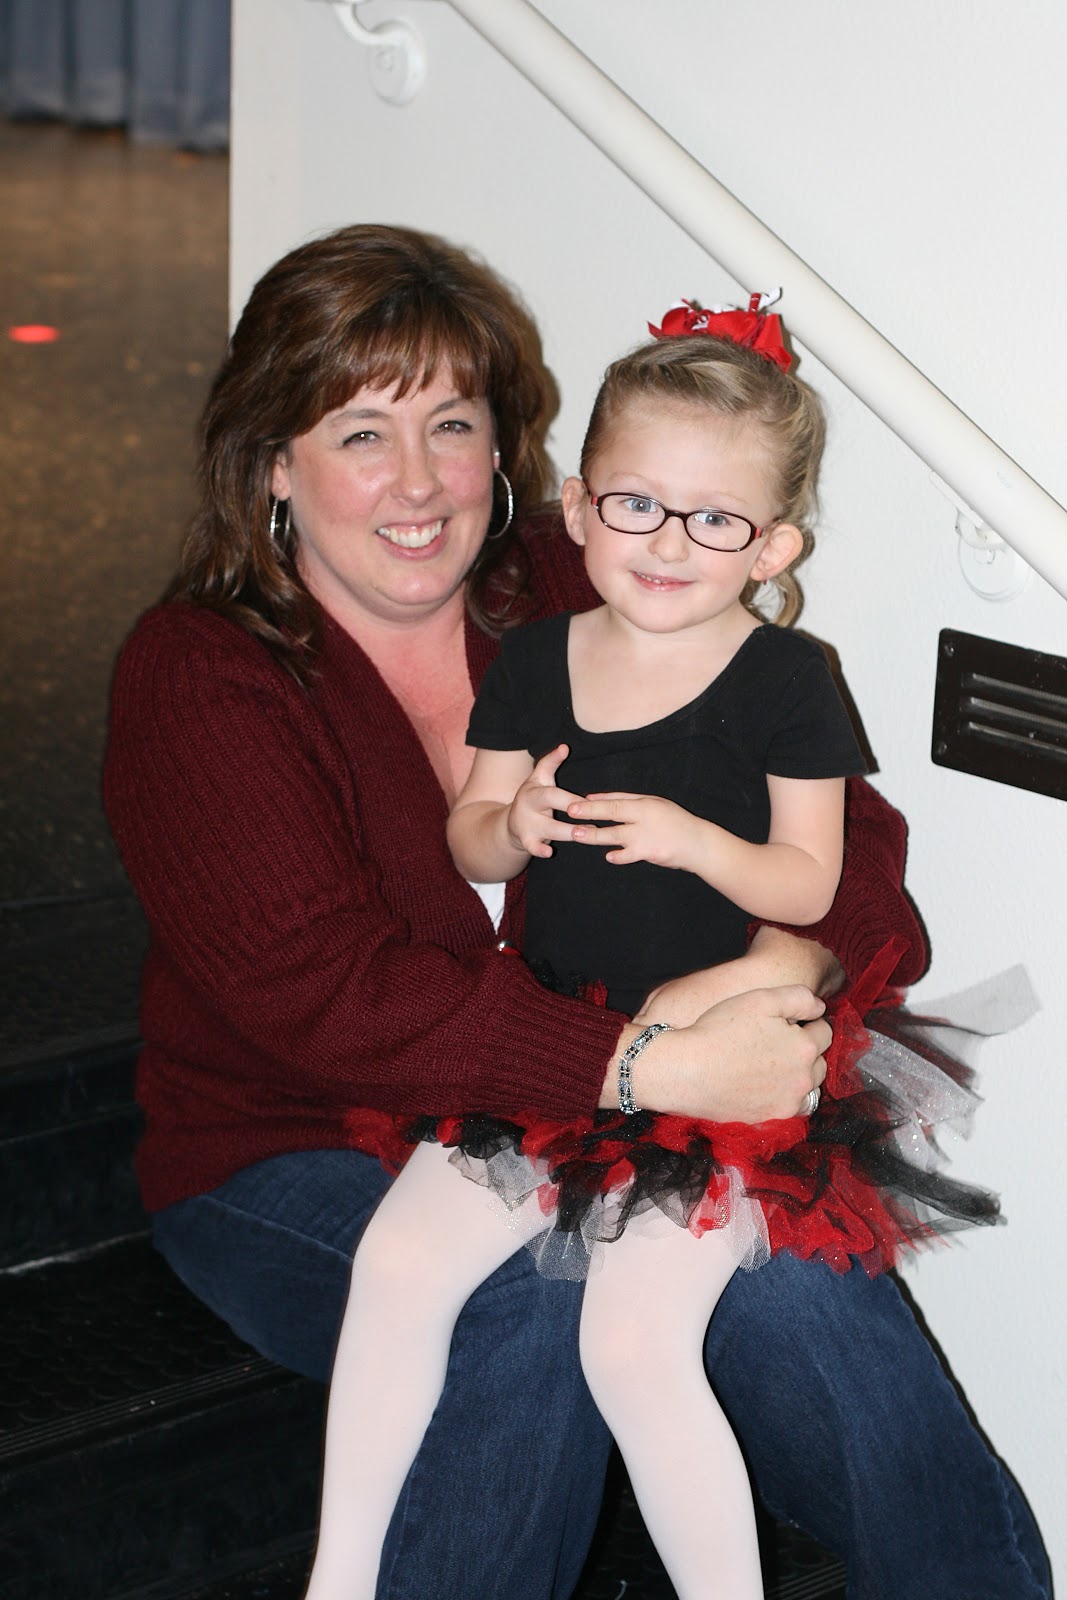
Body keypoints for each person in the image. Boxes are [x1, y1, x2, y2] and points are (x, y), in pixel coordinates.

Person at [102, 224, 1050, 1600]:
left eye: (452, 425)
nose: (417, 482)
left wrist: (766, 977)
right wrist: (643, 1061)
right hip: (297, 1133)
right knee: (536, 1300)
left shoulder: (591, 579)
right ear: (272, 465)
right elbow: (326, 994)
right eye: (361, 433)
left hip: (623, 1108)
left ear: (507, 450)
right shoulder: (202, 676)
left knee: (799, 1273)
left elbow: (854, 854)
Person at [303, 307, 1000, 1600]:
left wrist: (694, 840)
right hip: (555, 1047)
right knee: (393, 1268)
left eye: (715, 520)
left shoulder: (787, 679)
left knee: (631, 1346)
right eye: (636, 505)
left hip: (720, 1074)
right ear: (579, 507)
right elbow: (473, 838)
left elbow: (812, 881)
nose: (669, 544)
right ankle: (337, 1578)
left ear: (775, 546)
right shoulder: (535, 660)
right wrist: (510, 823)